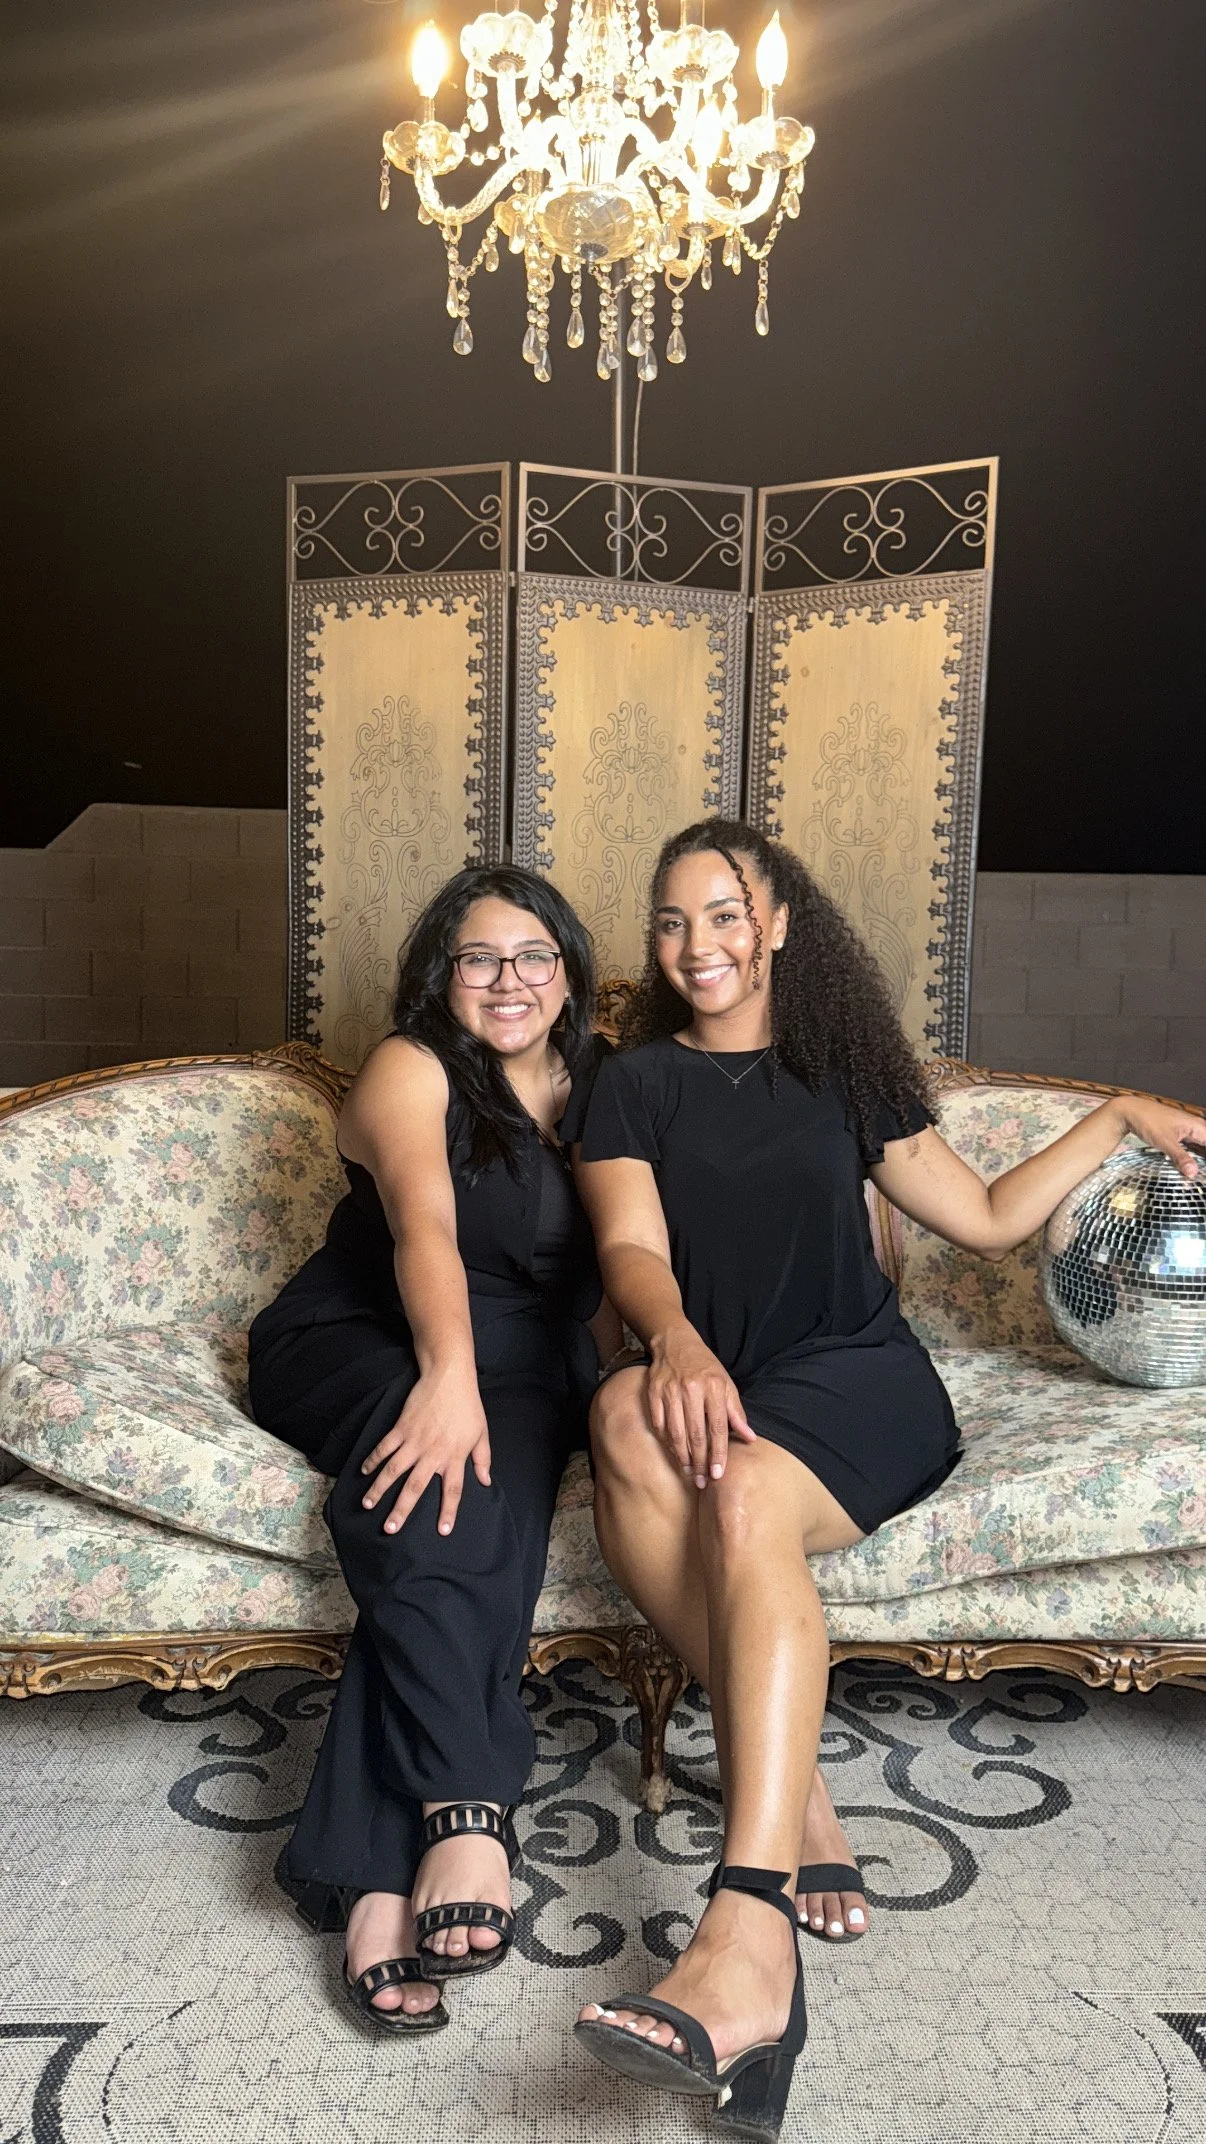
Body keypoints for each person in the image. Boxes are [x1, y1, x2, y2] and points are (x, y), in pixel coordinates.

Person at [569, 817, 1203, 2137]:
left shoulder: (844, 1073)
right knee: (624, 1415)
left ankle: (744, 1928)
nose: (700, 945)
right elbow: (629, 1249)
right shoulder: (628, 1083)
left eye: (728, 914)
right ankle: (795, 1795)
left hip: (852, 1377)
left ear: (781, 922)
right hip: (714, 1365)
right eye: (675, 921)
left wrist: (1111, 1119)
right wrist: (674, 1340)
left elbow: (978, 1220)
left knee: (743, 1493)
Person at [248, 865, 617, 2032]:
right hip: (365, 1325)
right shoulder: (411, 1066)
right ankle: (466, 1802)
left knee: (473, 1511)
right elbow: (421, 1223)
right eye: (479, 958)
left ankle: (363, 1877)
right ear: (440, 975)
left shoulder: (612, 1082)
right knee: (439, 1475)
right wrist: (447, 1378)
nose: (509, 980)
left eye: (533, 955)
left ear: (568, 969)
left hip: (531, 1359)